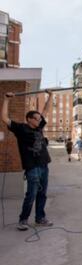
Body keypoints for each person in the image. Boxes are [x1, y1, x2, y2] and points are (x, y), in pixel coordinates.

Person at [1, 91, 53, 231]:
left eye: (39, 119)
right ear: (29, 119)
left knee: (42, 194)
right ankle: (23, 220)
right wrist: (6, 100)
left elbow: (46, 111)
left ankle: (40, 218)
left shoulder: (39, 127)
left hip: (44, 165)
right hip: (32, 168)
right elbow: (5, 118)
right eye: (36, 119)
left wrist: (51, 96)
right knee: (31, 195)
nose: (39, 120)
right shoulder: (21, 129)